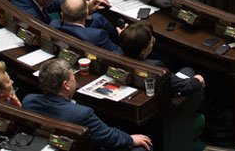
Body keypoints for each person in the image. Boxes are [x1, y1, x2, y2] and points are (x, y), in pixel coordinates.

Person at [24, 59, 152, 150]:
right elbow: (108, 138)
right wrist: (130, 139)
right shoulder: (82, 114)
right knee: (142, 147)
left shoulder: (28, 101)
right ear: (65, 85)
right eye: (72, 77)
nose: (75, 79)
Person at [119, 21, 205, 96]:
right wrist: (197, 80)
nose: (153, 40)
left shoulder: (117, 56)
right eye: (151, 40)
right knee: (189, 70)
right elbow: (185, 86)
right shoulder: (154, 67)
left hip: (139, 88)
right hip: (167, 104)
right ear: (143, 51)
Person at [51, 0, 123, 53]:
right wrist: (123, 37)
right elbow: (119, 54)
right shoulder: (98, 35)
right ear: (86, 14)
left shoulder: (53, 25)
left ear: (62, 15)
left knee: (97, 18)